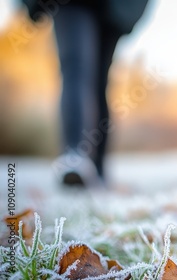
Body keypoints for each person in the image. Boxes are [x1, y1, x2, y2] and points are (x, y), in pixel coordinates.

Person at [22, 0, 149, 187]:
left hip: (113, 8)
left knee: (97, 80)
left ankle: (95, 167)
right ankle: (76, 157)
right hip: (72, 5)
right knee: (77, 67)